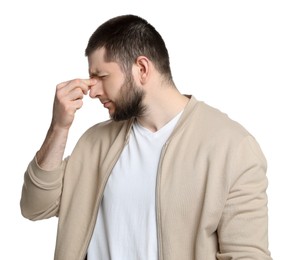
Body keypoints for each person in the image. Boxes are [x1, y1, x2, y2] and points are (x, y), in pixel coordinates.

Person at [20, 14, 272, 260]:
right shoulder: (94, 142)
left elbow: (247, 254)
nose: (92, 90)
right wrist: (59, 127)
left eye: (102, 76)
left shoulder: (233, 147)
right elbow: (35, 206)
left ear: (141, 68)